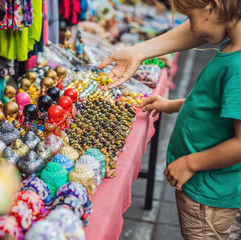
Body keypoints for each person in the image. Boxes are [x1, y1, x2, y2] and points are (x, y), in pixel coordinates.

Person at [98, 0, 241, 239]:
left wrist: (190, 164)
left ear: (214, 8)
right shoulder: (230, 46)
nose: (191, 29)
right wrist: (172, 105)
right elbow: (215, 107)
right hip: (202, 188)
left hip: (207, 194)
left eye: (190, 18)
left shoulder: (237, 68)